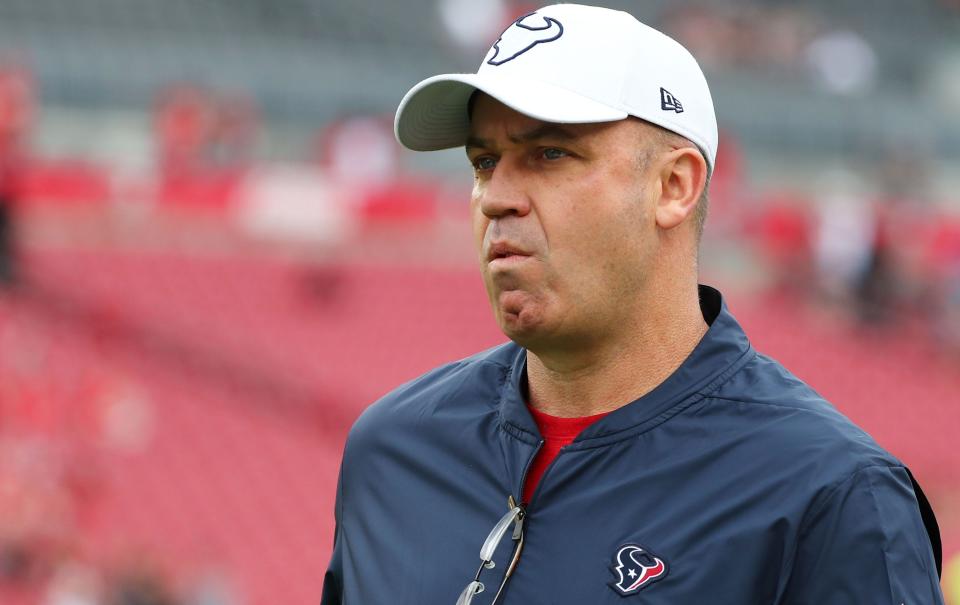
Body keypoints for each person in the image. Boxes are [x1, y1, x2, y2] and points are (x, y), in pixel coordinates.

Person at [321, 4, 944, 604]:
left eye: (550, 154)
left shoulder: (828, 496)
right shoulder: (392, 450)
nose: (495, 198)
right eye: (485, 161)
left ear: (674, 187)